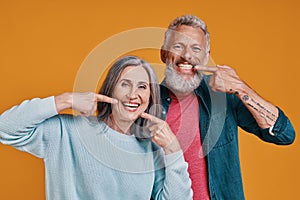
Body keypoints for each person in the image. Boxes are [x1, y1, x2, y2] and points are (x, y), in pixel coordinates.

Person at [0, 56, 193, 200]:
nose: (133, 95)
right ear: (110, 89)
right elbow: (5, 128)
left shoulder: (151, 150)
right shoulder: (67, 131)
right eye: (125, 84)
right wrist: (65, 100)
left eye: (142, 87)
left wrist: (173, 150)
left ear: (150, 97)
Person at [159, 15, 296, 200]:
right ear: (164, 53)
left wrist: (240, 88)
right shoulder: (145, 101)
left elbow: (285, 134)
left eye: (196, 48)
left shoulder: (223, 97)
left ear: (206, 57)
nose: (187, 56)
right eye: (178, 46)